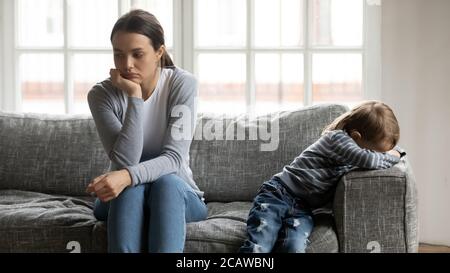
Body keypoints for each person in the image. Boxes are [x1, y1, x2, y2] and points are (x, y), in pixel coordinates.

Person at [86, 9, 207, 253]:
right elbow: (126, 161)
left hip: (175, 195)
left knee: (166, 184)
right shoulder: (101, 95)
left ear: (159, 52)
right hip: (123, 197)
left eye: (137, 54)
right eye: (118, 55)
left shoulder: (182, 84)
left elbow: (173, 159)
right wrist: (134, 96)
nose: (127, 65)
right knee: (130, 189)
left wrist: (126, 176)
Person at [239, 101, 406, 253]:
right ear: (356, 137)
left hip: (304, 208)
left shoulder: (353, 149)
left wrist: (389, 150)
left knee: (294, 246)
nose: (378, 156)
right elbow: (369, 160)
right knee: (259, 245)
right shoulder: (338, 139)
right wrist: (396, 154)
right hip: (279, 194)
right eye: (377, 152)